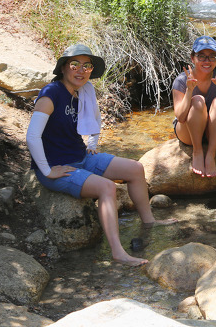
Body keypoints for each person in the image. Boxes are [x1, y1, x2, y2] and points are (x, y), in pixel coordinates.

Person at [26, 44, 175, 267]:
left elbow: (95, 118)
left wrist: (93, 144)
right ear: (64, 68)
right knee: (108, 188)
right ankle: (118, 252)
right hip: (57, 167)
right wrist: (47, 170)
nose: (81, 70)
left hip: (81, 157)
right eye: (75, 64)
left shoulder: (84, 92)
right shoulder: (51, 94)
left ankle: (149, 221)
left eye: (87, 66)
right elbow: (31, 137)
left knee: (135, 168)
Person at [172, 36, 216, 178]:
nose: (207, 61)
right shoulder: (182, 80)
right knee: (197, 101)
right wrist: (189, 91)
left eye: (211, 56)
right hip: (187, 134)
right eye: (201, 56)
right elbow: (181, 117)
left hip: (212, 134)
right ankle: (197, 152)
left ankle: (210, 154)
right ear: (192, 58)